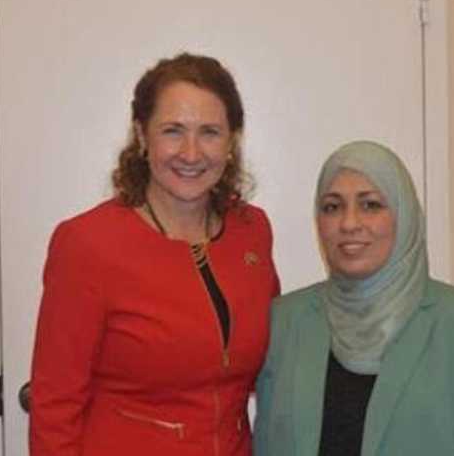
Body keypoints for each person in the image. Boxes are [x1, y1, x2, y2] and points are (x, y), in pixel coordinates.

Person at [29, 53, 280, 455]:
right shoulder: (87, 244)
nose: (192, 152)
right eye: (173, 131)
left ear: (232, 141)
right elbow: (54, 407)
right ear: (142, 136)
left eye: (210, 132)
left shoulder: (252, 232)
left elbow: (269, 365)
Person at [254, 141, 454, 455]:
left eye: (370, 204)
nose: (349, 223)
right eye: (332, 206)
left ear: (405, 214)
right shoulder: (283, 322)